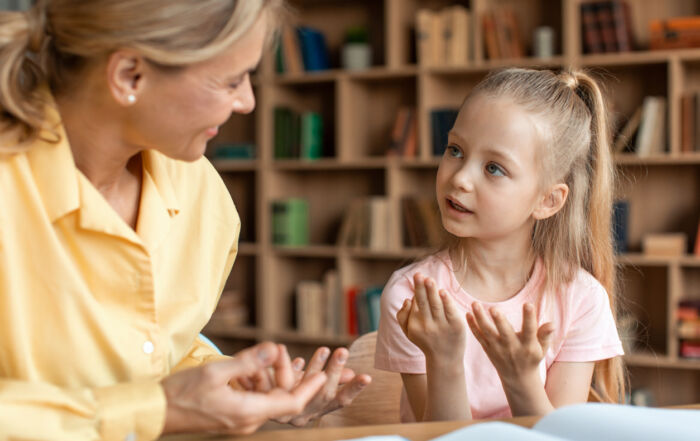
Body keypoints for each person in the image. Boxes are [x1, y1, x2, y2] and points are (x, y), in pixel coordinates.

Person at [0, 1, 370, 439]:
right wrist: (157, 410)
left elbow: (154, 344)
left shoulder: (200, 191)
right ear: (129, 76)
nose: (248, 101)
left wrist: (232, 383)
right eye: (232, 80)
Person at [374, 68, 626, 422]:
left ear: (548, 200)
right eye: (455, 150)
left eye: (494, 168)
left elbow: (559, 437)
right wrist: (444, 361)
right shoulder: (411, 295)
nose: (459, 178)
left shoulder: (581, 299)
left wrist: (520, 379)